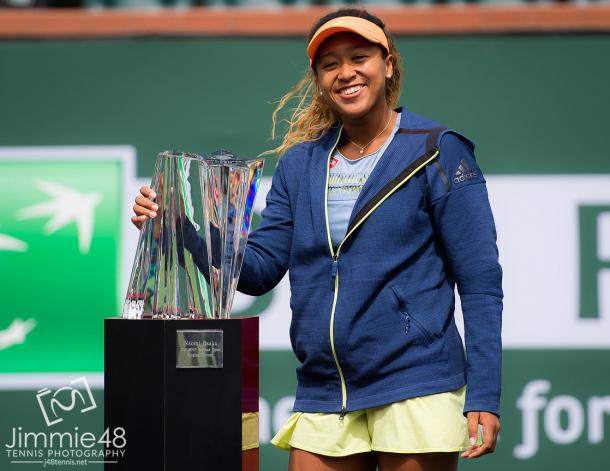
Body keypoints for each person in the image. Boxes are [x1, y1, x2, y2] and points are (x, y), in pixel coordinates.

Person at [132, 8, 502, 471]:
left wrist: (484, 392)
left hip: (416, 381)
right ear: (319, 79)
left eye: (359, 57)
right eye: (330, 63)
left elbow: (481, 282)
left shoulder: (437, 150)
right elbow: (258, 270)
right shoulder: (299, 165)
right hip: (325, 386)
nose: (345, 72)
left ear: (388, 64)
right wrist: (178, 228)